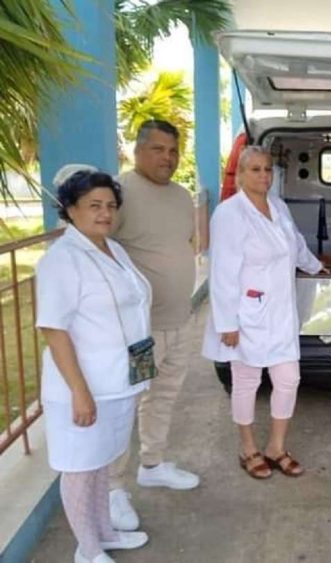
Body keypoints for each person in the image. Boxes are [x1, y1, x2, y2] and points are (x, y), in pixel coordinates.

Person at [36, 169, 150, 563]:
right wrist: (79, 392)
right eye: (94, 206)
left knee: (100, 463)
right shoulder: (61, 260)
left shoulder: (110, 248)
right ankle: (86, 549)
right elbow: (54, 330)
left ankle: (104, 531)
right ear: (70, 209)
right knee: (80, 469)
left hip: (117, 380)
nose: (105, 214)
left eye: (111, 206)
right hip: (84, 387)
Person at [202, 146, 325, 479]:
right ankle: (248, 448)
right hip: (246, 313)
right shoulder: (229, 214)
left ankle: (276, 447)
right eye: (255, 169)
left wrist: (317, 268)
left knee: (289, 378)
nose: (263, 176)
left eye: (268, 169)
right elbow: (223, 273)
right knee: (247, 381)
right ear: (240, 174)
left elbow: (296, 245)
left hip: (281, 313)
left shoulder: (278, 206)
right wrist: (226, 323)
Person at [108, 120, 198, 532]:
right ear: (138, 151)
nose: (168, 157)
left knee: (163, 398)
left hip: (178, 322)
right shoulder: (118, 194)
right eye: (159, 149)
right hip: (139, 333)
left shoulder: (182, 197)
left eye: (173, 150)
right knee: (126, 406)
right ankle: (112, 488)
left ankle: (153, 463)